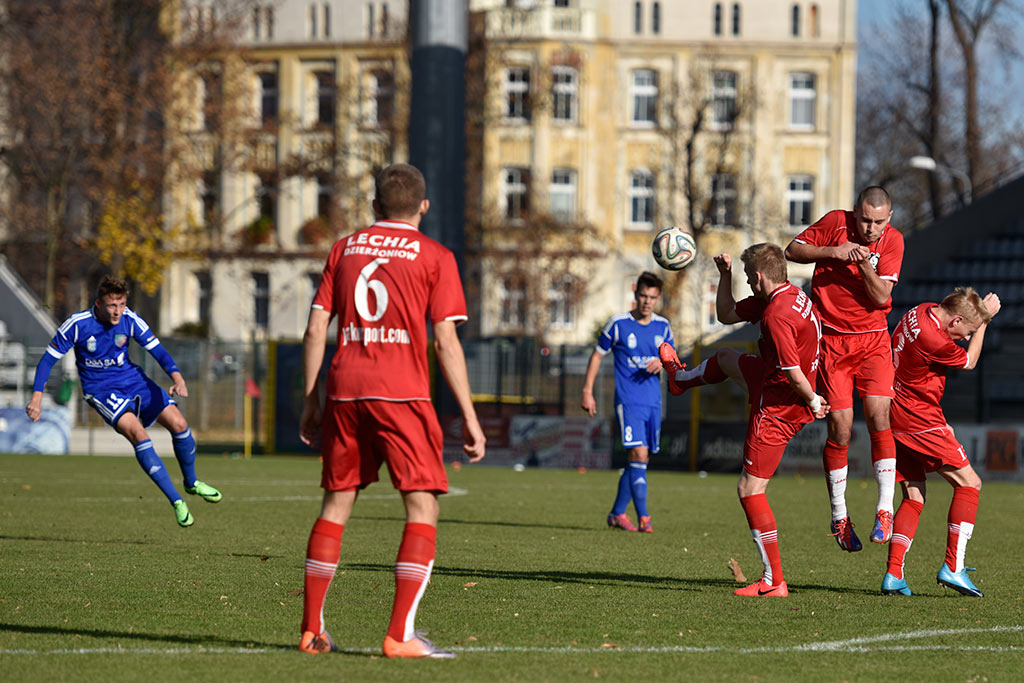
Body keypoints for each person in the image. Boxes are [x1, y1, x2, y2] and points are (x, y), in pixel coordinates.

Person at [297, 163, 486, 659]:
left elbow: (316, 330)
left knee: (336, 504)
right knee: (422, 506)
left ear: (375, 206)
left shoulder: (344, 248)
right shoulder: (435, 256)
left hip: (343, 389)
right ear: (423, 206)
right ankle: (400, 635)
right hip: (402, 395)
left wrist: (310, 399)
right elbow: (445, 341)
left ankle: (311, 630)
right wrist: (468, 413)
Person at [665, 244, 827, 597]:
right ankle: (680, 381)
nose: (750, 286)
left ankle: (774, 581)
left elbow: (794, 371)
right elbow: (726, 315)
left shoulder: (776, 314)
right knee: (725, 357)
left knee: (750, 490)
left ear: (757, 277)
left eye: (748, 280)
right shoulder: (788, 295)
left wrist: (813, 400)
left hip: (780, 404)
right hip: (775, 381)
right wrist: (725, 276)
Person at [25, 276, 221, 527]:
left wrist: (178, 378)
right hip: (100, 389)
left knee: (179, 423)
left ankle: (192, 482)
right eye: (112, 305)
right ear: (98, 303)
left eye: (122, 304)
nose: (118, 311)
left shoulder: (129, 318)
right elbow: (48, 360)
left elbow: (157, 350)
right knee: (138, 433)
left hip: (132, 379)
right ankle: (176, 501)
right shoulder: (77, 324)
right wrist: (37, 398)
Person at [784, 186, 905, 551]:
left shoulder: (894, 242)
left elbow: (882, 296)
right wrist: (833, 252)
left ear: (890, 218)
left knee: (879, 415)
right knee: (840, 428)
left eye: (878, 222)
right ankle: (839, 516)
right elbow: (792, 250)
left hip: (873, 341)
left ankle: (885, 510)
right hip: (833, 342)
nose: (870, 228)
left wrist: (863, 263)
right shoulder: (836, 222)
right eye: (865, 220)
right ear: (855, 212)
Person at [881, 288, 999, 597]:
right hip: (918, 417)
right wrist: (985, 321)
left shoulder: (920, 310)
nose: (964, 337)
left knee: (914, 496)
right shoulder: (935, 339)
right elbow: (971, 362)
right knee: (970, 484)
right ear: (957, 319)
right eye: (967, 331)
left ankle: (893, 575)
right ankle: (954, 567)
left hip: (895, 411)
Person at [581, 272, 673, 534]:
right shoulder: (618, 324)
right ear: (635, 294)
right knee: (639, 454)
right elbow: (597, 355)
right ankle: (644, 517)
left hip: (653, 402)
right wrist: (587, 391)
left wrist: (664, 362)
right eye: (643, 295)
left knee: (639, 460)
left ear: (658, 299)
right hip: (629, 401)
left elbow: (674, 360)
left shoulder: (663, 327)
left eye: (652, 297)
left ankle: (617, 513)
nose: (647, 301)